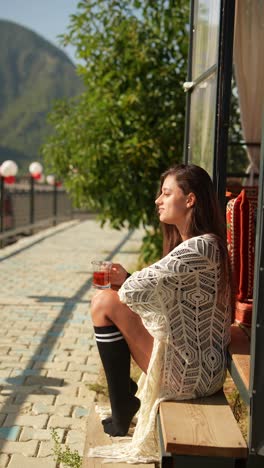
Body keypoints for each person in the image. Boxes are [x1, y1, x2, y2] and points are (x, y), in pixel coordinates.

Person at [89, 164, 232, 463]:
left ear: (190, 200)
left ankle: (122, 407)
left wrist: (125, 277)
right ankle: (123, 402)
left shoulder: (200, 247)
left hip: (191, 375)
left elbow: (133, 290)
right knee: (108, 300)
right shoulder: (201, 244)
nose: (158, 200)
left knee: (104, 302)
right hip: (201, 368)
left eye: (167, 193)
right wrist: (129, 278)